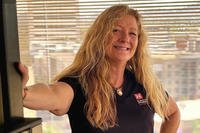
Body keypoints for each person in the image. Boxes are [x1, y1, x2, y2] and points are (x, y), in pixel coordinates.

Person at [19, 4, 180, 133]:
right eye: (115, 30)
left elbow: (172, 113)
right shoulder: (79, 85)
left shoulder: (144, 83)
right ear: (100, 36)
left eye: (132, 33)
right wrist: (23, 93)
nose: (125, 39)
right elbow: (52, 94)